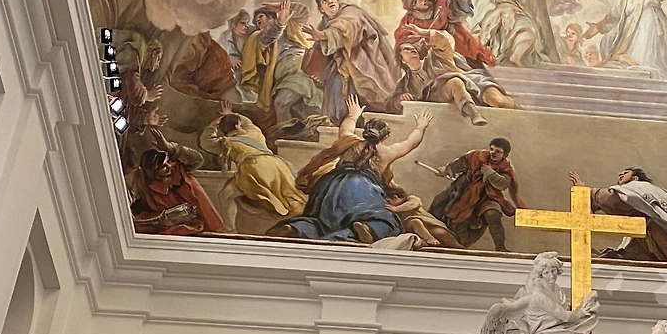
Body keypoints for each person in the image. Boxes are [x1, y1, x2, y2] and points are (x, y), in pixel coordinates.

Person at [277, 111, 433, 242]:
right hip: (362, 189)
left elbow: (346, 127)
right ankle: (367, 229)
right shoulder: (387, 152)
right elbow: (411, 142)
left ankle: (297, 229)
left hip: (329, 186)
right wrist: (421, 126)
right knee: (387, 220)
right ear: (385, 136)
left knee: (320, 220)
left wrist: (353, 114)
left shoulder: (350, 142)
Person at [302, 0, 400, 124]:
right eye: (325, 1)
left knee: (358, 94)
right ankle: (338, 123)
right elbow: (319, 48)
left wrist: (324, 35)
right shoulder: (325, 23)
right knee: (335, 89)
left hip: (363, 62)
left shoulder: (351, 12)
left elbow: (346, 28)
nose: (330, 1)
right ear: (321, 9)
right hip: (343, 65)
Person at [239, 2, 319, 143]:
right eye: (256, 21)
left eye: (261, 17)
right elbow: (267, 37)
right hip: (285, 76)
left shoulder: (288, 27)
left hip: (298, 70)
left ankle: (287, 142)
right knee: (290, 108)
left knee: (282, 103)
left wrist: (281, 11)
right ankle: (289, 142)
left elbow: (303, 12)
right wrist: (279, 22)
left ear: (272, 17)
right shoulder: (264, 35)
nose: (258, 21)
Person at [429, 138, 520, 249]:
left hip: (489, 196)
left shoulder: (506, 168)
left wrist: (489, 172)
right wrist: (446, 170)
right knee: (448, 210)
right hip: (466, 193)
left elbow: (503, 184)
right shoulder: (476, 156)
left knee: (493, 214)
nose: (493, 153)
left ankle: (500, 247)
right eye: (492, 149)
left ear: (505, 155)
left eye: (498, 151)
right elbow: (460, 163)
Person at [214, 113, 306, 219]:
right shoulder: (254, 132)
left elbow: (206, 142)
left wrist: (212, 126)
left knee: (225, 195)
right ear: (237, 125)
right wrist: (230, 113)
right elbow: (247, 121)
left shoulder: (226, 143)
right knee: (289, 196)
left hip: (254, 168)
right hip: (277, 165)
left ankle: (229, 227)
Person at [129, 146, 225, 236]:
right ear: (152, 171)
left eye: (168, 162)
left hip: (206, 220)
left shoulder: (178, 170)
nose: (169, 166)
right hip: (178, 226)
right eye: (163, 166)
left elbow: (198, 159)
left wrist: (171, 148)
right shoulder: (143, 183)